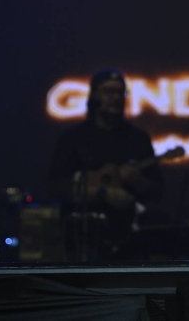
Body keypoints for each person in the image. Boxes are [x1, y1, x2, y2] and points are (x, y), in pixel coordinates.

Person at [46, 68, 163, 259]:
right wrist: (103, 195)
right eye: (109, 91)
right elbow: (55, 186)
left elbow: (158, 191)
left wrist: (138, 181)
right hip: (82, 240)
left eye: (121, 92)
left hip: (128, 238)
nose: (116, 98)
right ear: (94, 95)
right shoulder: (74, 138)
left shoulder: (138, 139)